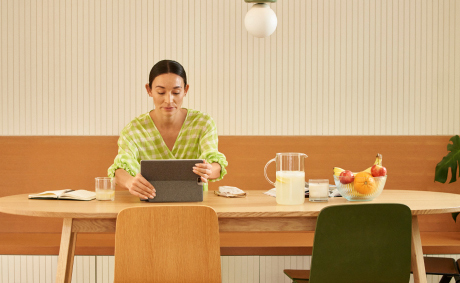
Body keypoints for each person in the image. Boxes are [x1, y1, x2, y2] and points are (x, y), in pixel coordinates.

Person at [108, 60, 228, 200]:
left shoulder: (203, 123)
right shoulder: (134, 130)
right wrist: (130, 182)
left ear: (185, 90)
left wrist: (209, 170)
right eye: (161, 92)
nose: (169, 100)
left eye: (176, 92)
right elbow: (120, 169)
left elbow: (215, 163)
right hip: (148, 209)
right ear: (149, 90)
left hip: (196, 207)